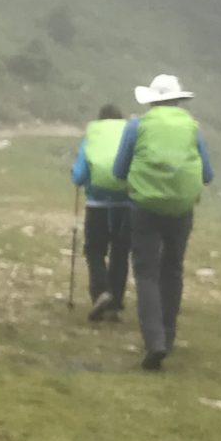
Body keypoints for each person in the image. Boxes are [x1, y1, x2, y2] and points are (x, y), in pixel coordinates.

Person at [110, 73, 214, 371]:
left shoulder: (137, 126)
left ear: (152, 101)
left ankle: (153, 340)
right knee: (173, 268)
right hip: (182, 209)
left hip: (144, 207)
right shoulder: (192, 128)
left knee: (146, 273)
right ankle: (168, 337)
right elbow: (207, 174)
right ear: (179, 100)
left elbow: (119, 170)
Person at [70, 103, 133, 322]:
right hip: (125, 204)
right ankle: (114, 304)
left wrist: (78, 177)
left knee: (95, 250)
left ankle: (101, 292)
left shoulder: (92, 136)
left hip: (97, 204)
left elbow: (79, 175)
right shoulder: (130, 133)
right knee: (120, 252)